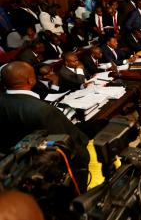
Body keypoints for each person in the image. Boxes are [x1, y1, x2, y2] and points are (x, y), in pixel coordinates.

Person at [0, 61, 90, 191]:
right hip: (53, 177)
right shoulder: (43, 111)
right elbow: (74, 146)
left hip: (16, 172)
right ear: (31, 80)